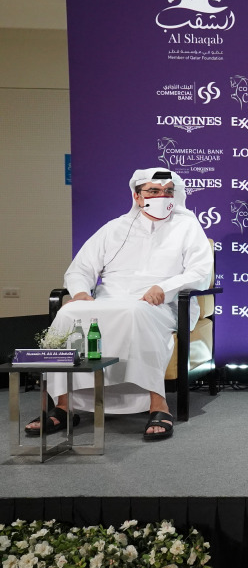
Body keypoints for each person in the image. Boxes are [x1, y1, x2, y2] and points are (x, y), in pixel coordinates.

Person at [25, 168, 213, 442]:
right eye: (153, 191)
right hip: (107, 300)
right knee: (67, 312)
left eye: (168, 192)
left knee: (136, 312)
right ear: (137, 196)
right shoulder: (114, 229)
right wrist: (79, 293)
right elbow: (80, 269)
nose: (162, 197)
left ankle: (158, 405)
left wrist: (165, 287)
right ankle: (63, 406)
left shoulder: (187, 227)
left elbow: (199, 272)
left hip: (162, 304)